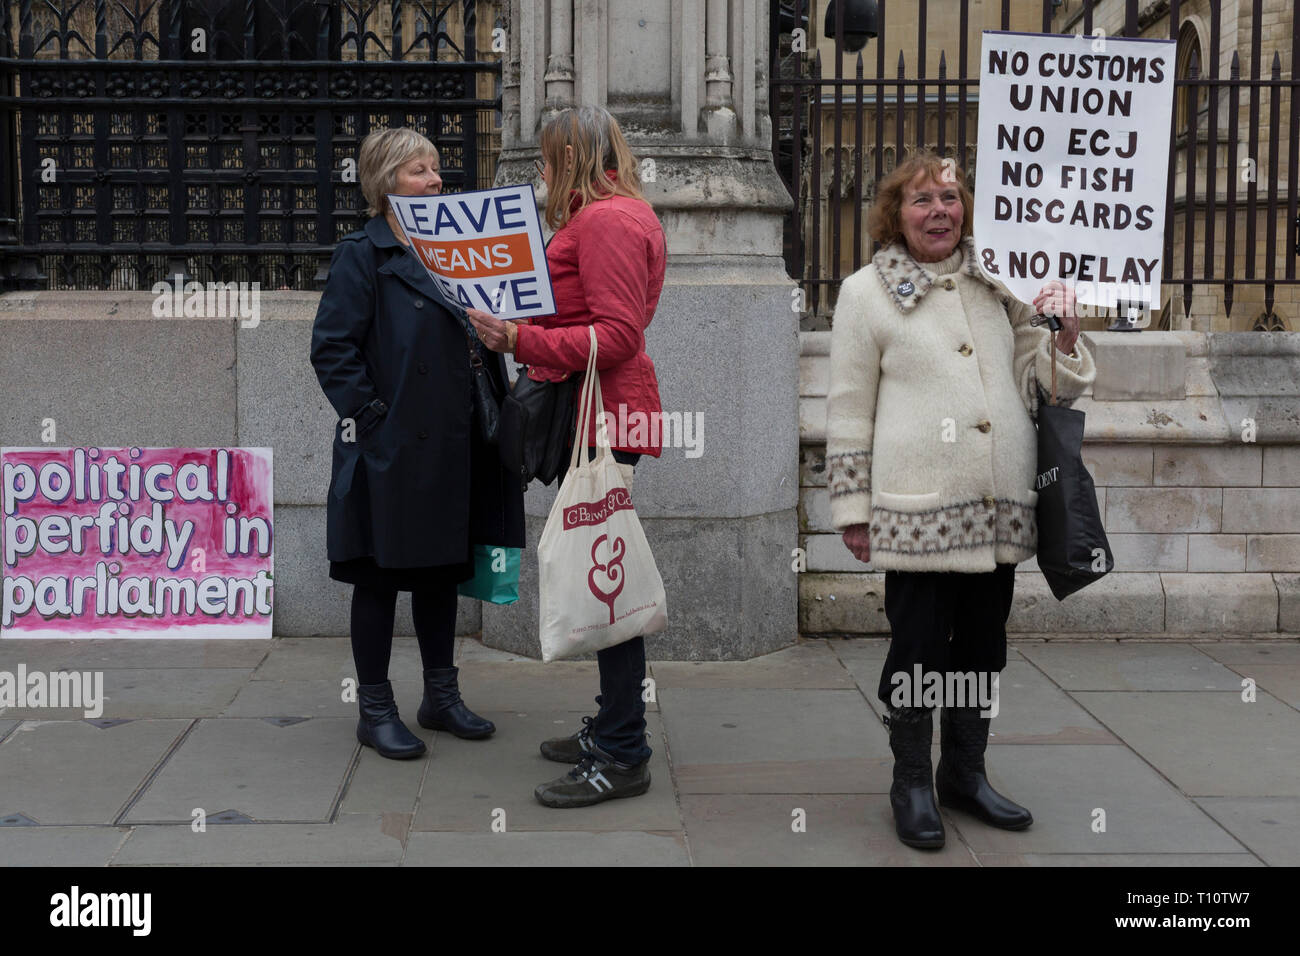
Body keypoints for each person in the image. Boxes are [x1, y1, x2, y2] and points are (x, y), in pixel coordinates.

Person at [826, 150, 1096, 848]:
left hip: (998, 504)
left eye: (949, 198)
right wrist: (853, 510)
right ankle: (912, 780)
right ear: (896, 214)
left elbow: (1045, 385)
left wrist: (1063, 333)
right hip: (917, 511)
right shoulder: (865, 293)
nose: (938, 211)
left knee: (982, 649)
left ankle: (964, 775)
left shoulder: (998, 287)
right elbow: (850, 409)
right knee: (917, 652)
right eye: (921, 201)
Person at [466, 105, 665, 808]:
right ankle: (614, 726)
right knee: (598, 572)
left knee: (609, 588)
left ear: (572, 159)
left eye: (547, 160)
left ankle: (624, 751)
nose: (542, 174)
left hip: (604, 417)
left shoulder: (608, 220)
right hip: (597, 412)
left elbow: (617, 336)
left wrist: (519, 341)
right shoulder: (607, 214)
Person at [310, 127, 524, 760]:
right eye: (418, 171)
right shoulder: (363, 254)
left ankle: (441, 696)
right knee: (376, 579)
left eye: (435, 169)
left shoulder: (462, 249)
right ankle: (374, 710)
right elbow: (332, 349)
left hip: (456, 444)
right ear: (385, 184)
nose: (435, 180)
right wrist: (374, 419)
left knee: (439, 573)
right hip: (391, 449)